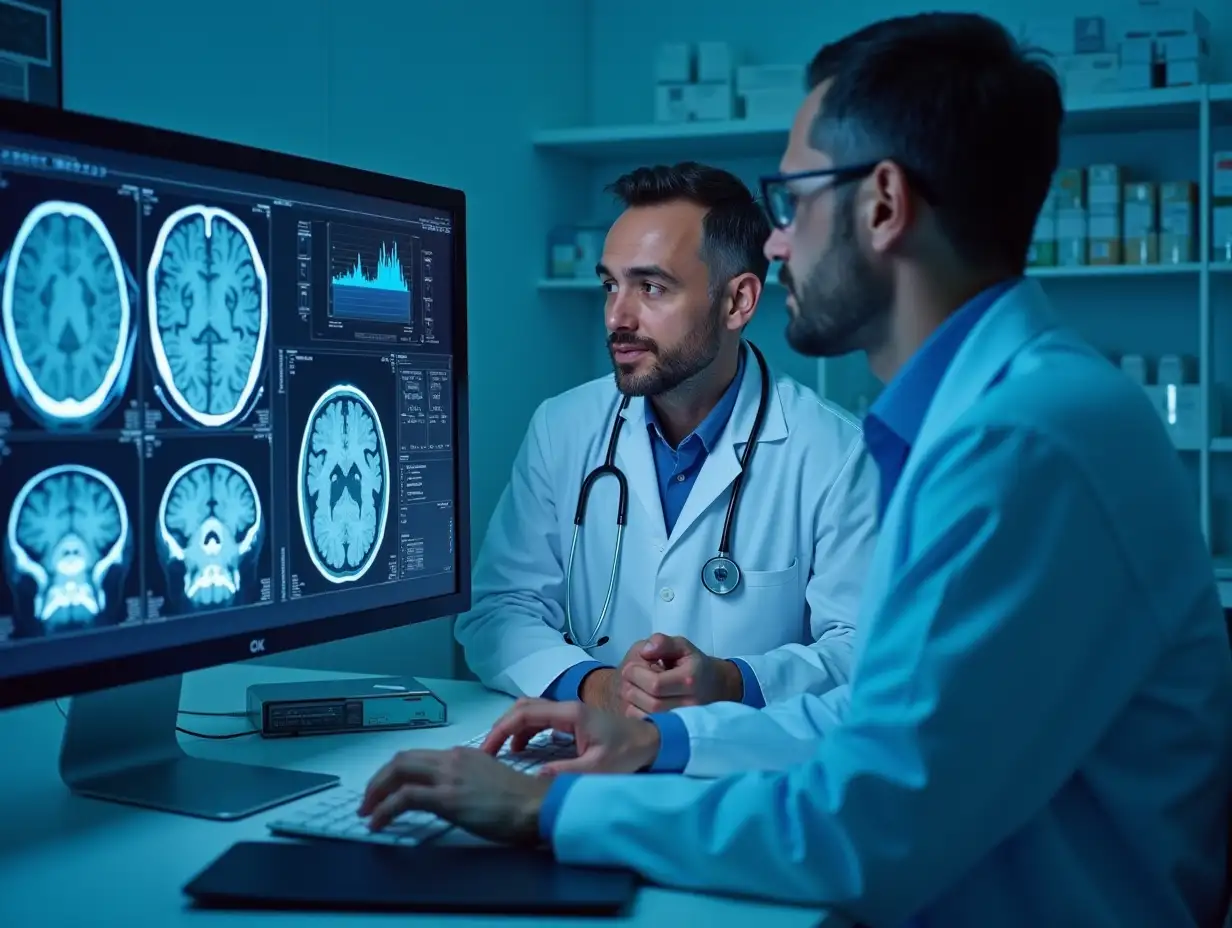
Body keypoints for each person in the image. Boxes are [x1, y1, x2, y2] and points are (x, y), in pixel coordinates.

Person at [360, 13, 1232, 926]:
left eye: (796, 198)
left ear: (884, 205)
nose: (778, 244)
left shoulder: (1023, 444)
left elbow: (868, 824)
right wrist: (658, 739)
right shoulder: (1008, 416)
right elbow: (876, 727)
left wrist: (550, 807)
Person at [454, 162, 879, 717]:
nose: (616, 316)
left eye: (651, 287)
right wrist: (598, 687)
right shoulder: (563, 427)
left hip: (744, 772)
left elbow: (862, 648)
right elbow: (498, 612)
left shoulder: (836, 451)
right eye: (611, 284)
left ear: (738, 302)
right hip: (591, 748)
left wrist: (731, 682)